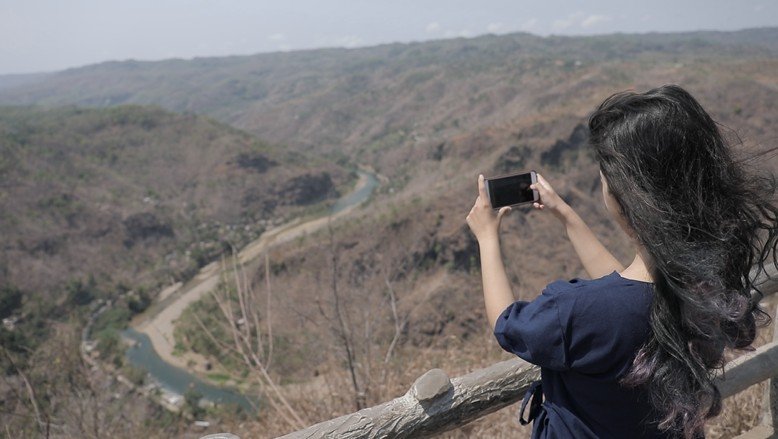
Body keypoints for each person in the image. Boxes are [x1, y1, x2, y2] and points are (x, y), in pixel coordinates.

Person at [465, 85, 777, 438]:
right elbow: (628, 291)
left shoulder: (576, 311)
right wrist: (567, 216)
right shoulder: (704, 292)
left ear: (625, 195)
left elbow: (508, 325)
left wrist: (487, 239)